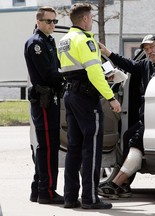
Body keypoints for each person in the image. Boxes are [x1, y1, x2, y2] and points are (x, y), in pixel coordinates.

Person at [58, 3, 121, 209]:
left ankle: (70, 197)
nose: (92, 21)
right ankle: (90, 198)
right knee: (92, 148)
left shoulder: (65, 40)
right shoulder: (85, 40)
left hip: (70, 94)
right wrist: (111, 97)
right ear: (84, 19)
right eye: (91, 17)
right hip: (86, 98)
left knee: (74, 148)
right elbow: (93, 73)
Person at [98, 34, 155, 199]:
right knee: (128, 136)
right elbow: (128, 64)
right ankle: (126, 184)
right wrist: (108, 53)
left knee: (135, 139)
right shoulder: (145, 65)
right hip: (147, 117)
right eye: (146, 49)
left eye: (152, 47)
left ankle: (116, 184)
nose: (149, 52)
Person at [24, 6, 64, 204]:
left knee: (46, 146)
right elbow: (49, 74)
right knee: (48, 147)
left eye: (54, 21)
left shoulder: (48, 41)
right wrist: (69, 77)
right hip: (44, 100)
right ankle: (46, 192)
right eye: (49, 21)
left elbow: (56, 66)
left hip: (49, 100)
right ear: (38, 22)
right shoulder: (36, 43)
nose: (52, 25)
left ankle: (37, 189)